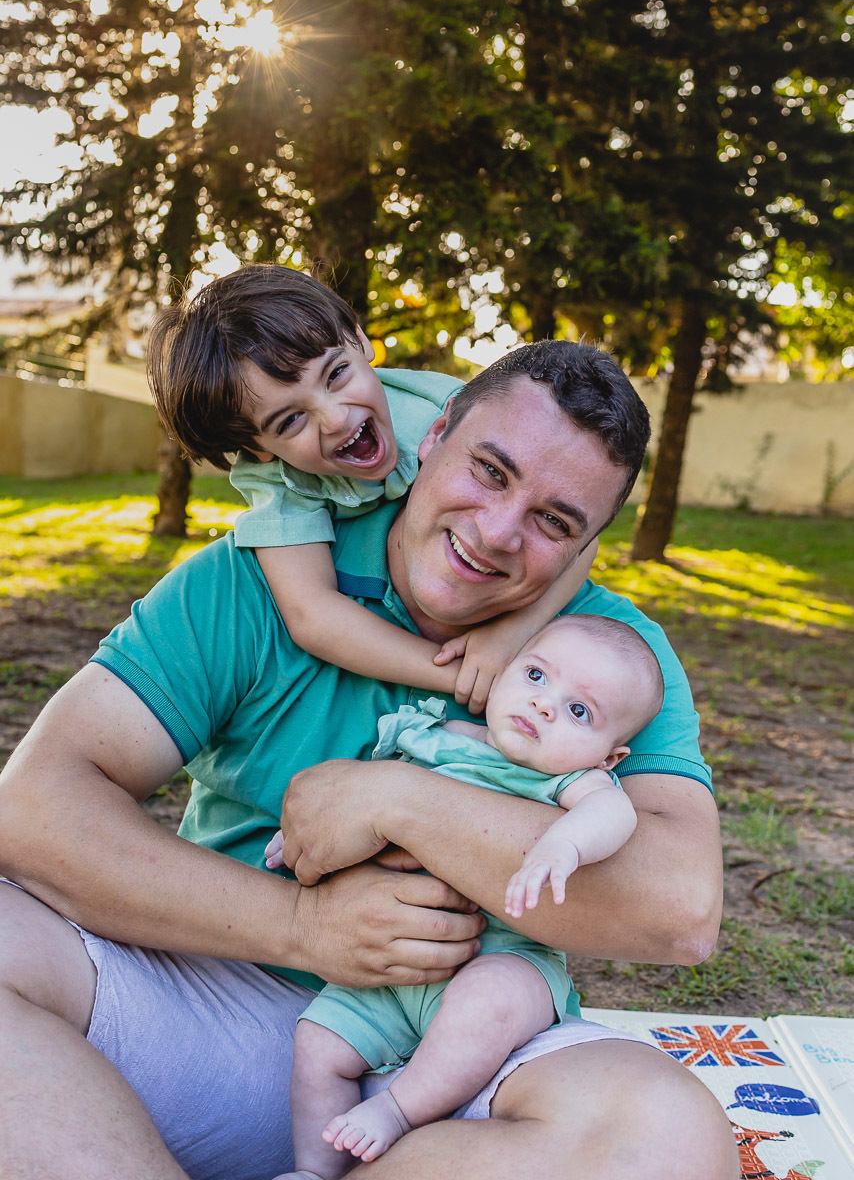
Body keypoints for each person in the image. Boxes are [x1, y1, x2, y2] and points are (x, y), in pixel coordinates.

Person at [0, 338, 738, 1180]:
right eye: (490, 472)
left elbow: (680, 909)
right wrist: (305, 926)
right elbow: (33, 808)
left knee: (666, 1138)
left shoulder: (608, 662)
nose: (497, 533)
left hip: (465, 1040)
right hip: (223, 1007)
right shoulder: (264, 580)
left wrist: (398, 800)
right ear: (436, 434)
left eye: (554, 522)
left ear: (586, 547)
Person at [266, 613, 660, 1180]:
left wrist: (564, 845)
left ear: (607, 757)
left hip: (504, 957)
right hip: (391, 967)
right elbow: (349, 805)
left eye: (580, 711)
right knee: (318, 1043)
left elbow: (613, 812)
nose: (545, 705)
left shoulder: (566, 781)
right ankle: (315, 1169)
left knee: (491, 999)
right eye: (535, 676)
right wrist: (303, 833)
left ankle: (397, 1110)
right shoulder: (432, 738)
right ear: (503, 674)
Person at [146, 264, 595, 712]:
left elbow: (580, 535)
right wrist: (461, 674)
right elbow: (313, 615)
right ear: (258, 448)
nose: (336, 418)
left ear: (360, 341)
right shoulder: (276, 478)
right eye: (291, 420)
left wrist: (511, 633)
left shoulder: (448, 414)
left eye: (336, 373)